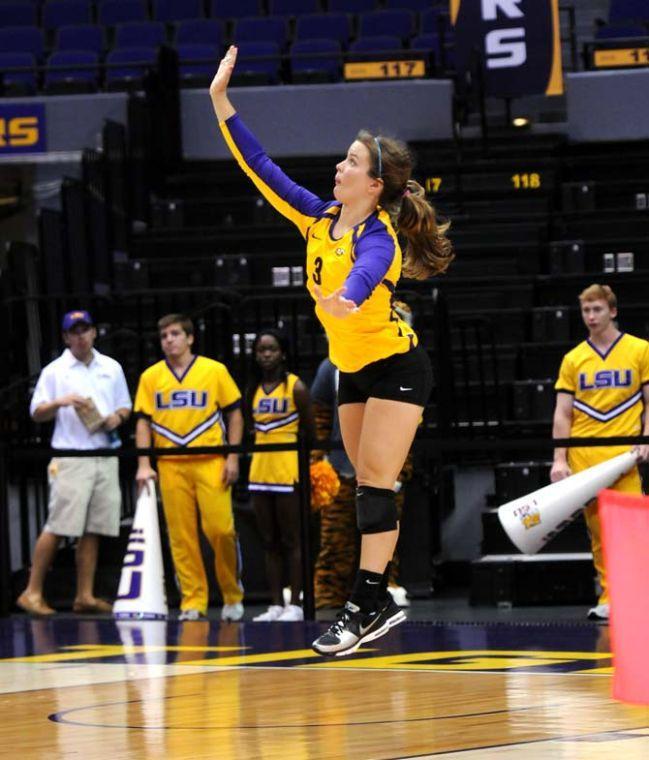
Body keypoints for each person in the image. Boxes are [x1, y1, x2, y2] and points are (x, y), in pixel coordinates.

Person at [210, 46, 453, 655]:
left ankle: (366, 601)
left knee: (375, 482)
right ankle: (374, 602)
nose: (338, 167)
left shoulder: (382, 238)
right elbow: (261, 166)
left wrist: (345, 297)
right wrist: (220, 103)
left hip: (398, 367)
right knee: (362, 485)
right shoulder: (317, 219)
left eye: (350, 161)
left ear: (374, 184)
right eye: (343, 158)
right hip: (351, 371)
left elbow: (367, 273)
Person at [17, 310, 132, 616]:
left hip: (104, 453)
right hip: (71, 457)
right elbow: (36, 412)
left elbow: (125, 406)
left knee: (94, 527)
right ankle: (32, 591)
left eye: (86, 330)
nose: (81, 336)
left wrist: (115, 418)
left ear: (94, 333)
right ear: (66, 337)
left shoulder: (111, 367)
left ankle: (85, 594)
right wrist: (60, 402)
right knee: (58, 524)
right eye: (74, 331)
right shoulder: (55, 371)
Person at [134, 314, 245, 622]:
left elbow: (235, 414)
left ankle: (232, 595)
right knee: (181, 537)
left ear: (190, 337)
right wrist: (144, 463)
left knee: (220, 530)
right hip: (170, 464)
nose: (168, 340)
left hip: (211, 460)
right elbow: (143, 421)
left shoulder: (214, 370)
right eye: (164, 336)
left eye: (174, 334)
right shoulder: (151, 377)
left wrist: (232, 457)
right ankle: (193, 600)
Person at [551, 284, 649, 621]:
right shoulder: (574, 358)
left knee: (634, 529)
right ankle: (610, 596)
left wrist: (647, 438)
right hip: (585, 455)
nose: (591, 317)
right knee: (600, 533)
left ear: (613, 311)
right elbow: (563, 413)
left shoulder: (640, 350)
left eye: (597, 310)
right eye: (586, 311)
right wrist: (559, 459)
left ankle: (636, 594)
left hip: (626, 456)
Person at [311, 301, 416, 610]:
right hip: (341, 467)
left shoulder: (403, 368)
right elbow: (319, 417)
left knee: (385, 533)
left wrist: (402, 469)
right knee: (335, 539)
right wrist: (319, 460)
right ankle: (328, 592)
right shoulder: (331, 366)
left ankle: (386, 588)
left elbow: (410, 425)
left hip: (386, 468)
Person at [245, 328, 315, 622]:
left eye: (271, 349)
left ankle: (295, 604)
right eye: (261, 350)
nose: (266, 355)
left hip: (288, 469)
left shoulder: (296, 387)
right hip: (260, 469)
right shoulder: (253, 389)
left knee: (292, 539)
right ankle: (275, 604)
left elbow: (311, 432)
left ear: (283, 353)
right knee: (269, 540)